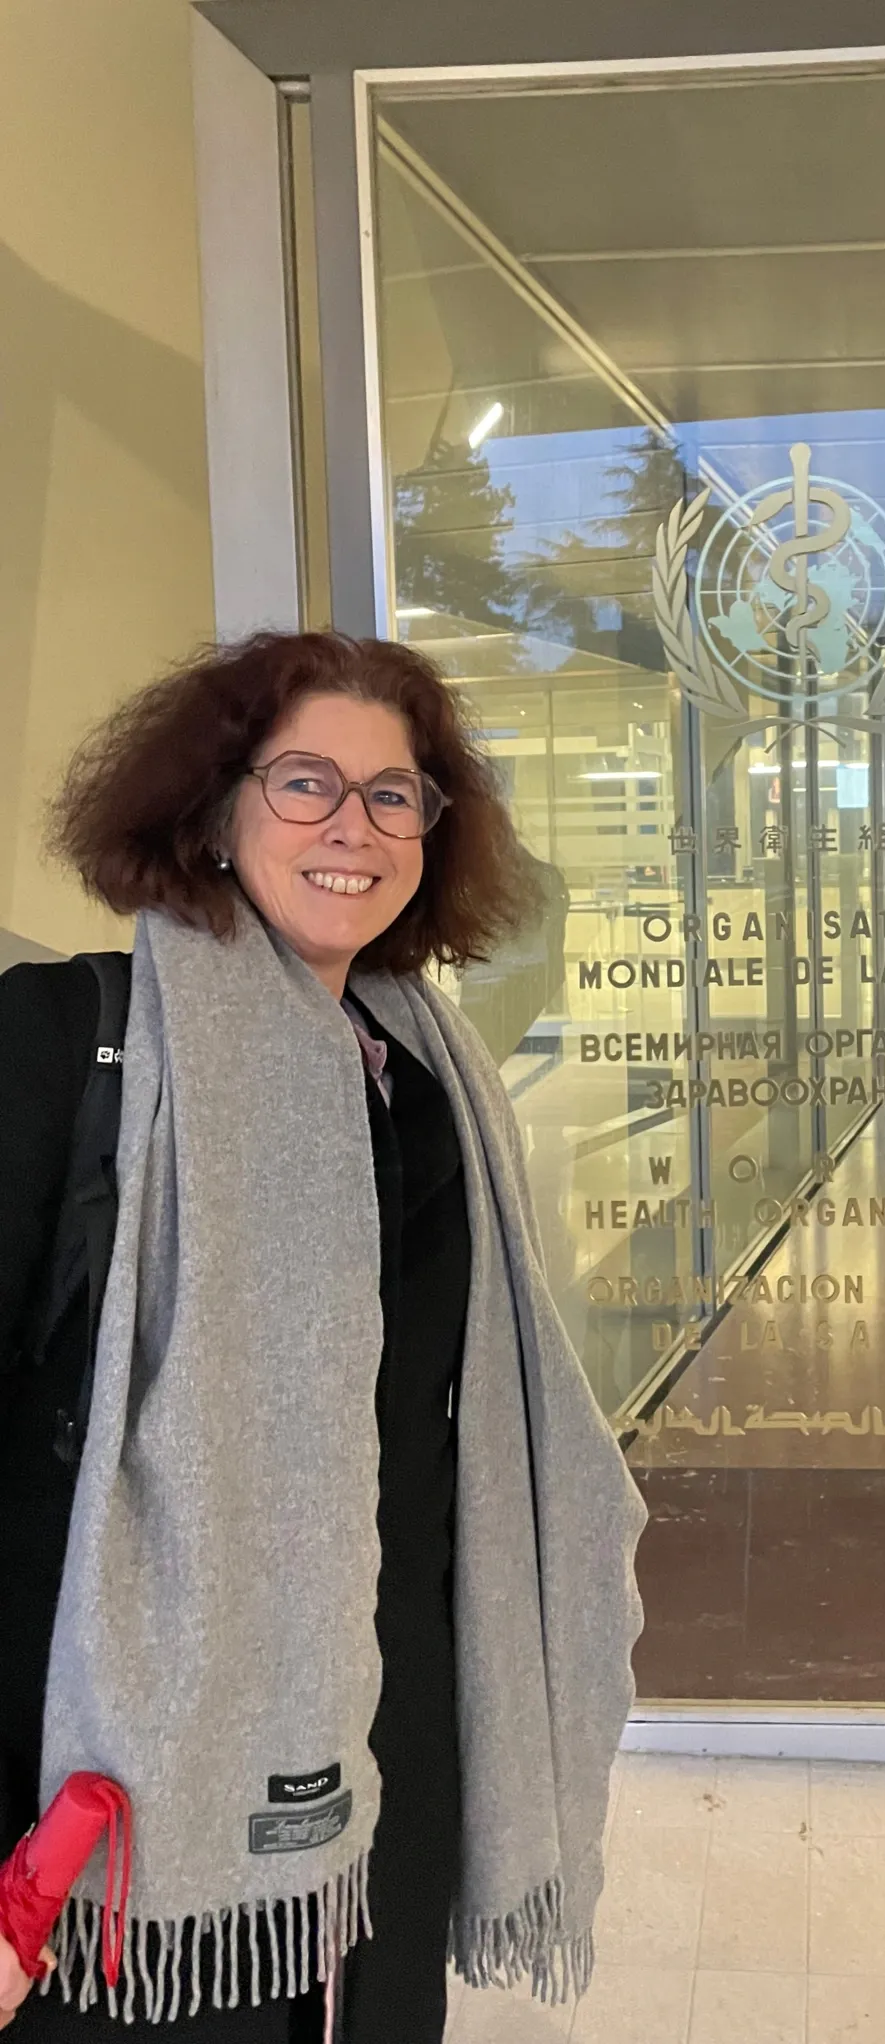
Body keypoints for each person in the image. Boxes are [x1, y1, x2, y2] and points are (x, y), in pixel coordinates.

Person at [0, 632, 647, 2041]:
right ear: (213, 805)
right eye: (305, 782)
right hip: (128, 1786)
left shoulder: (429, 1076)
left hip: (388, 1739)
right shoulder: (70, 1045)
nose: (354, 825)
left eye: (395, 793)